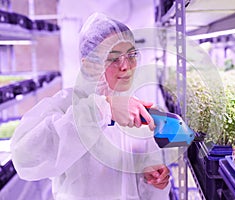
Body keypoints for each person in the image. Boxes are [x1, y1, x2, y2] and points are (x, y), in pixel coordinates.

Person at [11, 12, 171, 200]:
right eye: (113, 58)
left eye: (131, 55)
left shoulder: (136, 111)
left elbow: (144, 189)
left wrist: (154, 181)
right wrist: (102, 110)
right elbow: (25, 160)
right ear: (88, 66)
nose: (126, 66)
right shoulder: (64, 105)